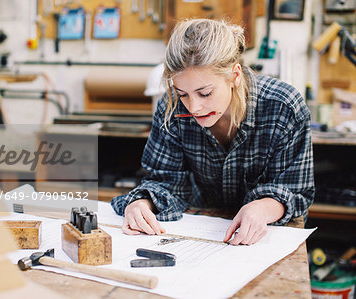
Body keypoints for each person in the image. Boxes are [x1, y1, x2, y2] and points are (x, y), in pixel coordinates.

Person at [110, 19, 314, 246]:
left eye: (205, 93)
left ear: (235, 76)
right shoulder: (172, 109)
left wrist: (261, 209)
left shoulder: (283, 108)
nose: (193, 107)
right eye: (183, 93)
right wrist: (142, 203)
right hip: (203, 233)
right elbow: (166, 181)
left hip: (271, 236)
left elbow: (296, 190)